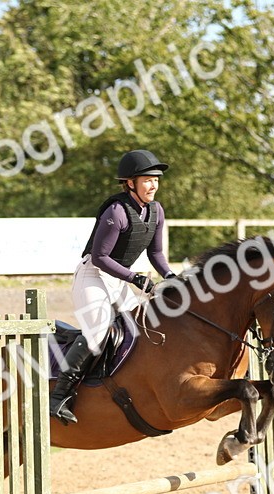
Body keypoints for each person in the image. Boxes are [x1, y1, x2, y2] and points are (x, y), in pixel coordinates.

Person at [50, 149, 176, 425]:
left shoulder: (156, 211)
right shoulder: (116, 211)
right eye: (147, 180)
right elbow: (100, 257)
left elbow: (156, 253)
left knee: (140, 328)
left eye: (156, 180)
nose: (153, 185)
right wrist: (135, 278)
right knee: (98, 330)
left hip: (118, 278)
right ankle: (59, 396)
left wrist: (170, 275)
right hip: (92, 274)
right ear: (130, 183)